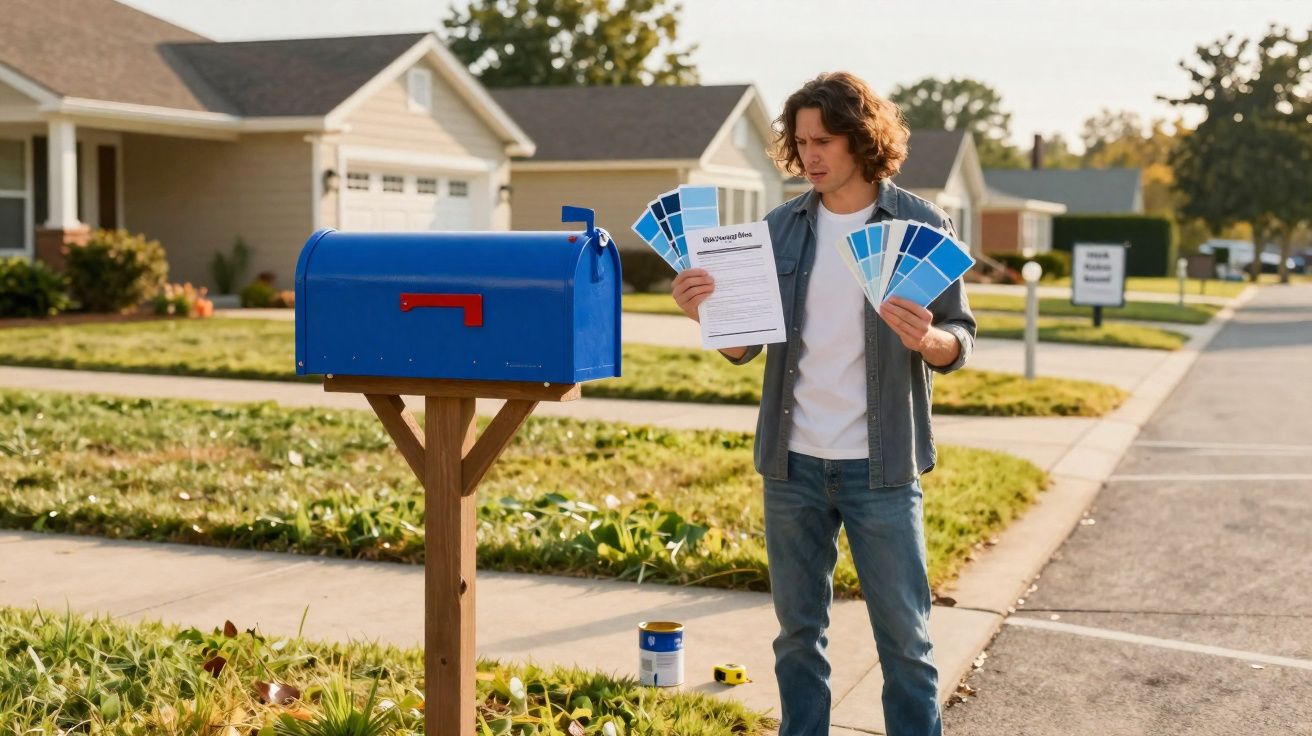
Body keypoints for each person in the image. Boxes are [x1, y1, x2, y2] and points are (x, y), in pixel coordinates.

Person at [670, 72, 976, 736]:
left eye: (824, 141)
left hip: (883, 469)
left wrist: (930, 340)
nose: (809, 155)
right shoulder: (778, 229)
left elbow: (961, 338)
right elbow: (744, 350)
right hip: (793, 466)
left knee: (907, 647)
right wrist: (707, 315)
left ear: (862, 141)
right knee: (797, 640)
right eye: (801, 141)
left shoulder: (921, 224)